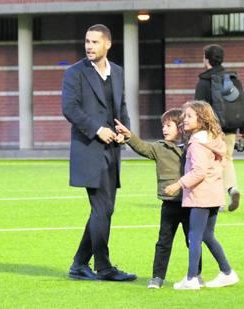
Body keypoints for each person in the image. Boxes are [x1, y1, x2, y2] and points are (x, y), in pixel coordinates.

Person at [62, 24, 136, 282]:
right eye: (87, 41)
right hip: (88, 150)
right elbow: (69, 108)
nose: (89, 46)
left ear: (107, 44)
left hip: (112, 150)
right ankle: (103, 267)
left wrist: (124, 130)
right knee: (102, 208)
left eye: (94, 42)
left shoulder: (117, 72)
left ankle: (79, 264)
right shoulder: (74, 73)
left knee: (103, 210)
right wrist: (97, 130)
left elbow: (121, 106)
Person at [114, 109, 202, 289]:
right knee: (163, 242)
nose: (164, 129)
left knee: (192, 241)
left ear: (181, 127)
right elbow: (143, 147)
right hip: (169, 204)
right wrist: (129, 135)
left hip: (190, 202)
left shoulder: (194, 146)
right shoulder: (159, 147)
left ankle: (195, 275)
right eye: (163, 125)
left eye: (168, 125)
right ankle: (157, 277)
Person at [165, 101, 239, 290]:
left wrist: (177, 185)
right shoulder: (213, 139)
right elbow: (220, 165)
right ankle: (227, 273)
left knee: (194, 236)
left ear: (202, 119)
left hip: (201, 195)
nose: (184, 119)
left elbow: (199, 172)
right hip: (214, 194)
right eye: (184, 116)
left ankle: (192, 279)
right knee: (207, 235)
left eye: (189, 116)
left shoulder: (197, 143)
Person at [194, 44, 244, 212]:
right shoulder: (231, 79)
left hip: (211, 131)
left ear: (207, 59)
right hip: (230, 128)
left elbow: (198, 108)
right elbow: (241, 104)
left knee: (213, 164)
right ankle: (232, 188)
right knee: (227, 159)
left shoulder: (204, 81)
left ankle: (218, 201)